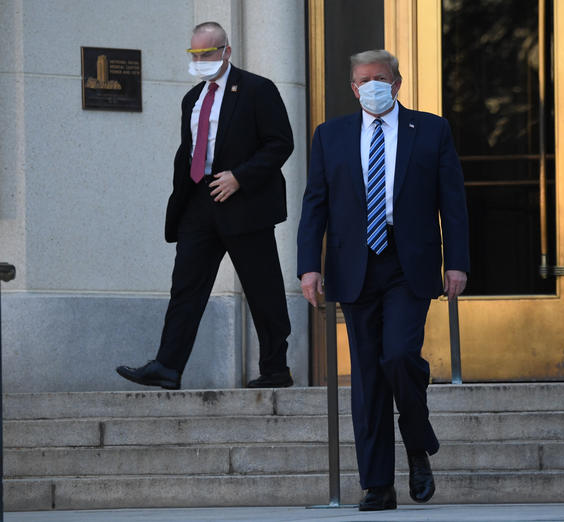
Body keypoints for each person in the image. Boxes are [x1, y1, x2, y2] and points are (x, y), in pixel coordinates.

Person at [297, 49, 470, 511]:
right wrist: (308, 267)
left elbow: (451, 203)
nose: (370, 85)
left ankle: (416, 444)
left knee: (398, 356)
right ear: (353, 88)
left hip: (407, 262)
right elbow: (315, 203)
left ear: (397, 82)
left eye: (379, 77)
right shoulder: (330, 135)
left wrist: (457, 262)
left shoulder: (431, 129)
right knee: (367, 376)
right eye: (361, 79)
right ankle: (378, 484)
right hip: (353, 267)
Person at [117, 22, 294, 390]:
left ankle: (276, 368)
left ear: (226, 51)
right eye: (194, 54)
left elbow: (280, 143)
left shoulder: (257, 90)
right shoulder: (192, 98)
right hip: (199, 203)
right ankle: (168, 366)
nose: (200, 60)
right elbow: (190, 150)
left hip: (243, 202)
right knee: (186, 287)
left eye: (208, 53)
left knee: (263, 290)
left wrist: (240, 177)